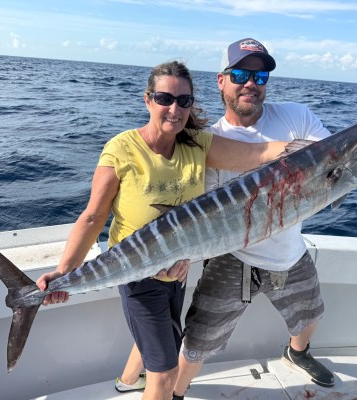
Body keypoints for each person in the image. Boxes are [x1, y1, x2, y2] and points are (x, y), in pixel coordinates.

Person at [36, 60, 289, 400]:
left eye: (184, 101)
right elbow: (92, 217)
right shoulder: (122, 149)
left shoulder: (197, 144)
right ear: (147, 100)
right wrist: (64, 273)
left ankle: (127, 381)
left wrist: (312, 151)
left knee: (167, 336)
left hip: (176, 273)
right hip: (136, 274)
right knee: (166, 374)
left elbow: (258, 153)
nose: (175, 109)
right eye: (165, 98)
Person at [172, 38, 335, 399]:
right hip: (233, 256)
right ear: (221, 80)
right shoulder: (208, 140)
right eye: (242, 73)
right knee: (199, 339)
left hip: (290, 251)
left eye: (260, 77)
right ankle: (177, 392)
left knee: (310, 315)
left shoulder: (297, 117)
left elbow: (331, 165)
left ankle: (297, 352)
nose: (251, 83)